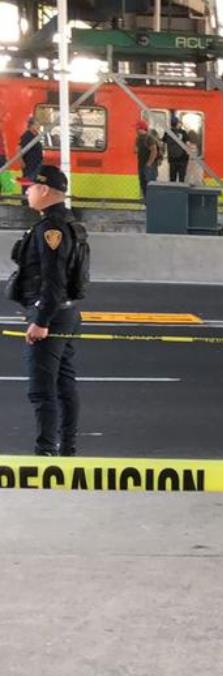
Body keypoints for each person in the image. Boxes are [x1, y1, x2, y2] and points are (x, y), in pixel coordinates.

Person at [10, 164, 82, 456]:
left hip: (51, 314)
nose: (26, 191)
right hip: (66, 313)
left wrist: (40, 320)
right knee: (64, 383)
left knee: (42, 389)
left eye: (29, 187)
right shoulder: (65, 222)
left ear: (43, 190)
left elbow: (54, 280)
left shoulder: (51, 228)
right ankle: (67, 450)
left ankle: (46, 454)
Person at [18, 117, 43, 200]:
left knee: (32, 184)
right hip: (29, 165)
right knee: (27, 184)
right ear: (31, 125)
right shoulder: (27, 136)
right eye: (37, 124)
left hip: (35, 165)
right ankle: (25, 202)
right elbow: (18, 149)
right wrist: (21, 162)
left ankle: (31, 201)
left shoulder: (34, 135)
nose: (39, 126)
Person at [135, 120, 158, 198]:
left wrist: (149, 164)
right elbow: (136, 150)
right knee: (143, 186)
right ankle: (146, 203)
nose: (136, 130)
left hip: (149, 167)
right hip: (141, 165)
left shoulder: (149, 138)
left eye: (137, 128)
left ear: (142, 128)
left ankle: (152, 205)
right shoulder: (138, 138)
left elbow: (154, 151)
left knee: (150, 186)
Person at [163, 117, 189, 183]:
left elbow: (163, 142)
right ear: (178, 123)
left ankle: (172, 193)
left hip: (172, 159)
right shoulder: (183, 132)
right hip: (183, 159)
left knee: (172, 179)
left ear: (171, 124)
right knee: (181, 179)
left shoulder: (167, 132)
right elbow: (187, 145)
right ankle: (181, 192)